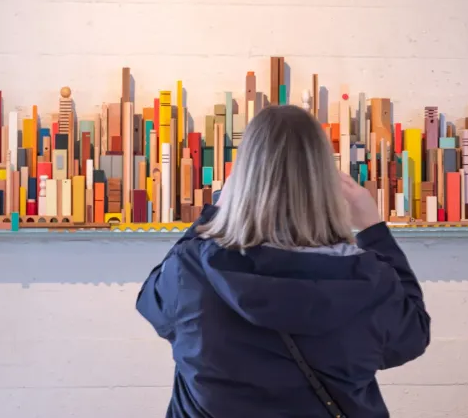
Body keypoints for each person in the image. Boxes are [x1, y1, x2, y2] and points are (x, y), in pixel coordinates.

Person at [136, 105, 431, 418]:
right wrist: (373, 228)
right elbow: (411, 336)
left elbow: (150, 303)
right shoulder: (370, 277)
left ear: (242, 180)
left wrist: (212, 215)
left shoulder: (191, 268)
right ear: (324, 183)